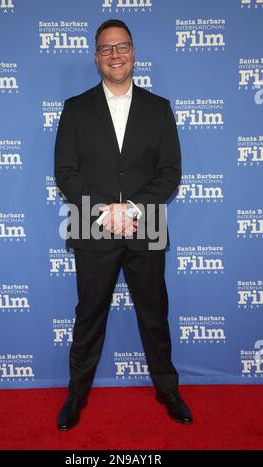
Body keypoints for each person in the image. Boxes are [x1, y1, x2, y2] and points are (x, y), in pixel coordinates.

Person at [54, 19, 192, 431]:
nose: (115, 55)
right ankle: (76, 396)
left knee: (154, 315)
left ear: (134, 53)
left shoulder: (159, 107)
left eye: (123, 46)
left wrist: (130, 209)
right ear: (97, 57)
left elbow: (170, 173)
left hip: (145, 225)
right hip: (92, 227)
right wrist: (104, 211)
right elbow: (66, 172)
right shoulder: (75, 108)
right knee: (89, 317)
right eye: (107, 48)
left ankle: (168, 390)